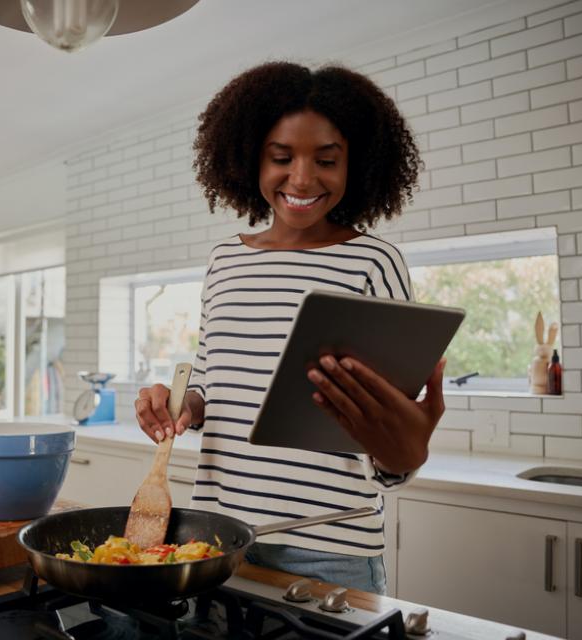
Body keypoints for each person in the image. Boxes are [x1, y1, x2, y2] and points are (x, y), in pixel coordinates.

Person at [133, 61, 446, 595]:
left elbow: (388, 417)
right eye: (281, 157)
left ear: (357, 164)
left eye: (327, 160)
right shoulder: (224, 261)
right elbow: (212, 381)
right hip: (218, 536)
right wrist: (184, 404)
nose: (302, 178)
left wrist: (407, 443)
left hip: (330, 545)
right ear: (250, 157)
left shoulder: (373, 260)